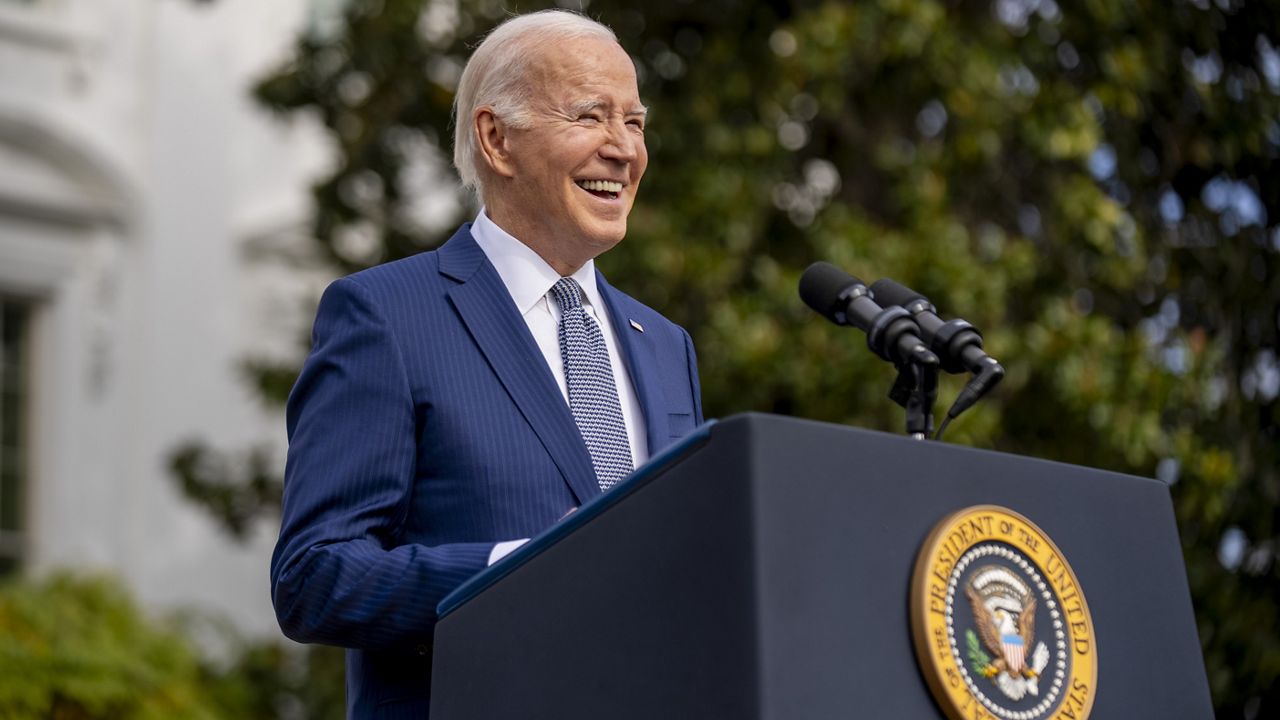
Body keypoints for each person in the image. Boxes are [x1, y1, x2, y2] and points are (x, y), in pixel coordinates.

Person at [269, 10, 704, 718]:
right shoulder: (387, 316)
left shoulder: (663, 344)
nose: (624, 149)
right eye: (590, 116)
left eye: (635, 121)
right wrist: (514, 572)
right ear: (496, 138)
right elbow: (313, 577)